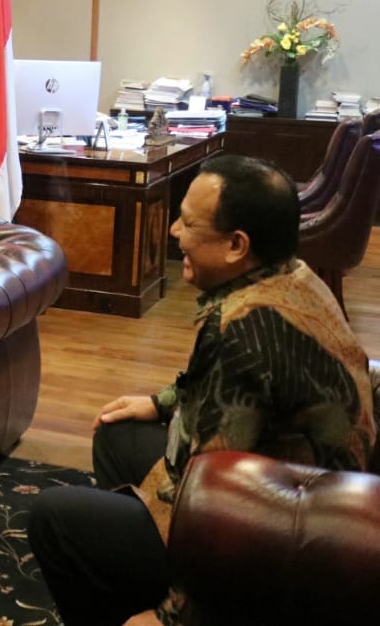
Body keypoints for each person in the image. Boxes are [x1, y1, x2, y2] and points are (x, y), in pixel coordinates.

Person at [26, 154, 374, 626]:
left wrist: (176, 615)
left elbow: (219, 504)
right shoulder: (293, 277)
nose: (174, 231)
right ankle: (132, 573)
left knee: (54, 517)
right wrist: (161, 403)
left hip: (282, 539)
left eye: (189, 224)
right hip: (310, 499)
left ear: (236, 244)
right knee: (117, 432)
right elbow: (226, 394)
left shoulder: (242, 332)